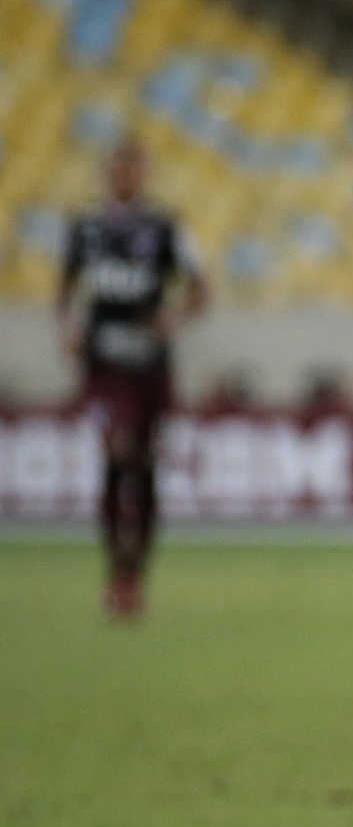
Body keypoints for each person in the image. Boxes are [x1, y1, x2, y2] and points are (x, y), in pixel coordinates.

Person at [57, 137, 207, 619]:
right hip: (103, 367)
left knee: (142, 465)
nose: (126, 176)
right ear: (108, 172)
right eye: (118, 167)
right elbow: (65, 289)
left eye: (133, 168)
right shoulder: (85, 229)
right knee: (114, 450)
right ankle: (115, 569)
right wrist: (68, 329)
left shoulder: (166, 228)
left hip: (150, 368)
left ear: (143, 173)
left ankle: (132, 575)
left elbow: (200, 290)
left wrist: (173, 319)